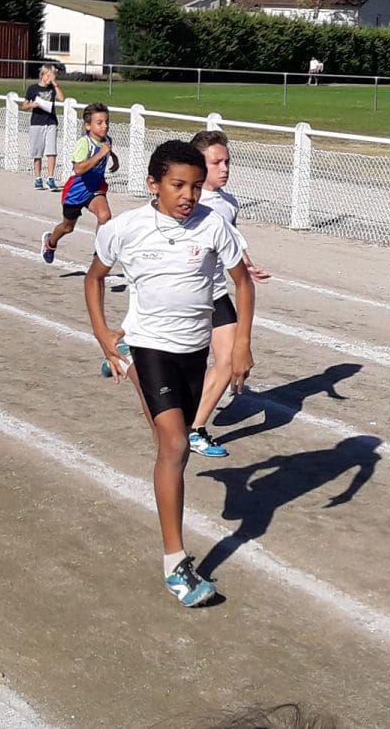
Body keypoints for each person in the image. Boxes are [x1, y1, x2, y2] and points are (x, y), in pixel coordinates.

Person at [84, 139, 255, 607]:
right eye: (178, 185)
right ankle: (175, 564)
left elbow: (241, 282)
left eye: (196, 187)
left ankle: (124, 366)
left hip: (193, 351)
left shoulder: (213, 225)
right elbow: (95, 278)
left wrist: (240, 343)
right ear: (152, 184)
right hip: (150, 345)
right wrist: (103, 334)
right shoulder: (125, 229)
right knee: (175, 445)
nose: (188, 196)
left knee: (178, 436)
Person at [186, 129, 271, 458]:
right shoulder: (187, 199)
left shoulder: (229, 202)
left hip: (216, 292)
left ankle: (195, 429)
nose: (224, 168)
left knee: (229, 359)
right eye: (215, 162)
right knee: (178, 360)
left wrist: (245, 264)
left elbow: (230, 241)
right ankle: (131, 347)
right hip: (186, 293)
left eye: (227, 161)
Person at [40, 102, 119, 263]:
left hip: (95, 188)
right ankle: (50, 242)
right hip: (76, 191)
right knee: (67, 227)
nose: (105, 126)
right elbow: (78, 169)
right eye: (100, 123)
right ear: (88, 126)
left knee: (105, 216)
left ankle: (99, 253)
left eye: (107, 122)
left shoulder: (106, 140)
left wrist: (114, 158)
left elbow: (107, 151)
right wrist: (100, 155)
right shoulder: (84, 143)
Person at [20, 63, 64, 190]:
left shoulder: (52, 88)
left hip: (50, 122)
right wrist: (32, 105)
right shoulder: (33, 89)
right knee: (37, 152)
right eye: (49, 75)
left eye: (53, 75)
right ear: (43, 75)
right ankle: (38, 178)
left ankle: (50, 178)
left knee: (52, 151)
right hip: (37, 122)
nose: (51, 78)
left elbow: (61, 98)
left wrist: (55, 85)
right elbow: (24, 105)